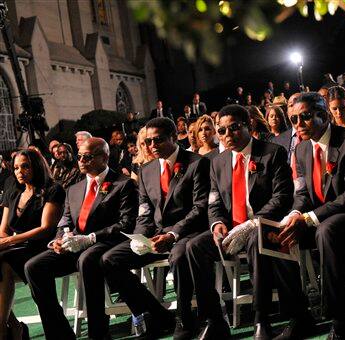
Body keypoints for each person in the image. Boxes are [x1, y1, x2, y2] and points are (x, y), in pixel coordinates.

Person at [186, 104, 311, 340]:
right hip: (232, 228)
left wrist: (253, 223)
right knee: (194, 247)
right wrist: (217, 224)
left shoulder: (272, 152)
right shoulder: (217, 162)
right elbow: (214, 203)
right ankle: (214, 320)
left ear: (249, 125)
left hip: (265, 224)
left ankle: (260, 319)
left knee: (256, 237)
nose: (227, 135)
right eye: (221, 131)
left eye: (234, 128)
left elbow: (282, 196)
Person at [279, 92, 345, 339]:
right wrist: (295, 213)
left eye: (304, 117)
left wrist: (309, 218)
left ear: (323, 115)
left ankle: (341, 322)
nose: (298, 125)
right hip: (320, 216)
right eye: (293, 119)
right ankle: (299, 317)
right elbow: (302, 193)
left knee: (327, 230)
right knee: (278, 235)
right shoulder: (302, 148)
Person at [102, 117, 210, 339]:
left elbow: (200, 208)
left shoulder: (197, 162)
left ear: (173, 137)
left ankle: (184, 319)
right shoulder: (146, 170)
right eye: (148, 142)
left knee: (180, 255)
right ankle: (158, 315)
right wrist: (139, 237)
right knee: (110, 259)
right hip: (155, 236)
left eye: (158, 140)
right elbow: (144, 211)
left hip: (187, 233)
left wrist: (172, 234)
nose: (152, 146)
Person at [25, 138, 138, 340]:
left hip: (105, 243)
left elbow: (125, 224)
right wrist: (60, 239)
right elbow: (64, 222)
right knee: (33, 266)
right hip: (75, 245)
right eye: (79, 157)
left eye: (87, 156)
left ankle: (98, 333)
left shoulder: (123, 184)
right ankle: (60, 334)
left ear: (104, 157)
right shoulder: (74, 189)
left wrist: (91, 238)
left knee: (87, 259)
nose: (81, 161)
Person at [0, 149, 64, 340]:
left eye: (25, 166)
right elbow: (3, 229)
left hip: (42, 247)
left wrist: (9, 241)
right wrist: (4, 241)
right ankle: (10, 325)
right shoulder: (13, 193)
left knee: (3, 262)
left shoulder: (53, 189)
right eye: (17, 168)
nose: (20, 171)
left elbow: (45, 228)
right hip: (17, 247)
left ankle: (4, 330)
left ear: (37, 166)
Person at [272, 92, 302, 179]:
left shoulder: (315, 136)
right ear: (286, 112)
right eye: (291, 105)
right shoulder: (276, 141)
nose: (295, 108)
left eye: (298, 103)